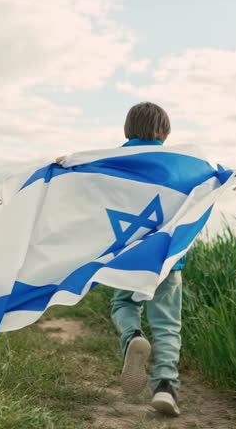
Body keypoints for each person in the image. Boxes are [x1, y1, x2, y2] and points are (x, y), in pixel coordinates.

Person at [56, 102, 185, 417]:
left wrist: (67, 163)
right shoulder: (179, 164)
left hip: (127, 257)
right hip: (166, 259)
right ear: (165, 133)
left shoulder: (113, 161)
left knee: (124, 304)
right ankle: (166, 385)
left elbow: (86, 175)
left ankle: (132, 340)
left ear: (127, 130)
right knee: (167, 322)